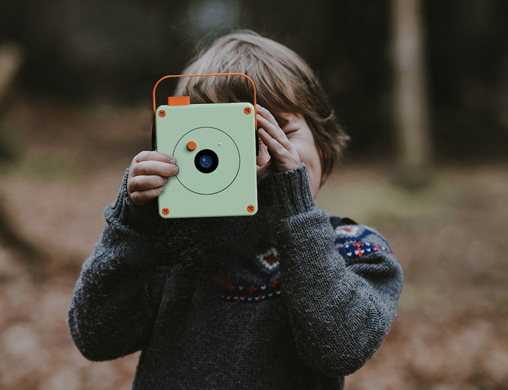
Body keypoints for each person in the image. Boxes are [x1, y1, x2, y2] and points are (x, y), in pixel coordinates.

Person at [68, 30, 403, 389]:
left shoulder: (355, 249)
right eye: (230, 139)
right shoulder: (173, 248)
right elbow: (97, 337)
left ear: (323, 144)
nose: (260, 156)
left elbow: (340, 349)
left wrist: (294, 208)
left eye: (280, 131)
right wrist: (132, 224)